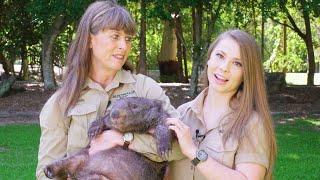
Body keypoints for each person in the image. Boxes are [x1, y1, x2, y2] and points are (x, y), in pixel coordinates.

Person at [96, 29, 277, 180]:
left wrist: (193, 152)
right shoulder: (182, 114)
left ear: (247, 73)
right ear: (209, 59)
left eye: (237, 63)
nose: (224, 68)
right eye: (220, 56)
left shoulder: (251, 123)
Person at [35, 1, 178, 179]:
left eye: (128, 39)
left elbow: (181, 149)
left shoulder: (145, 88)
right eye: (115, 36)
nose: (124, 46)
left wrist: (125, 140)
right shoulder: (62, 101)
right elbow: (45, 173)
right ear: (89, 40)